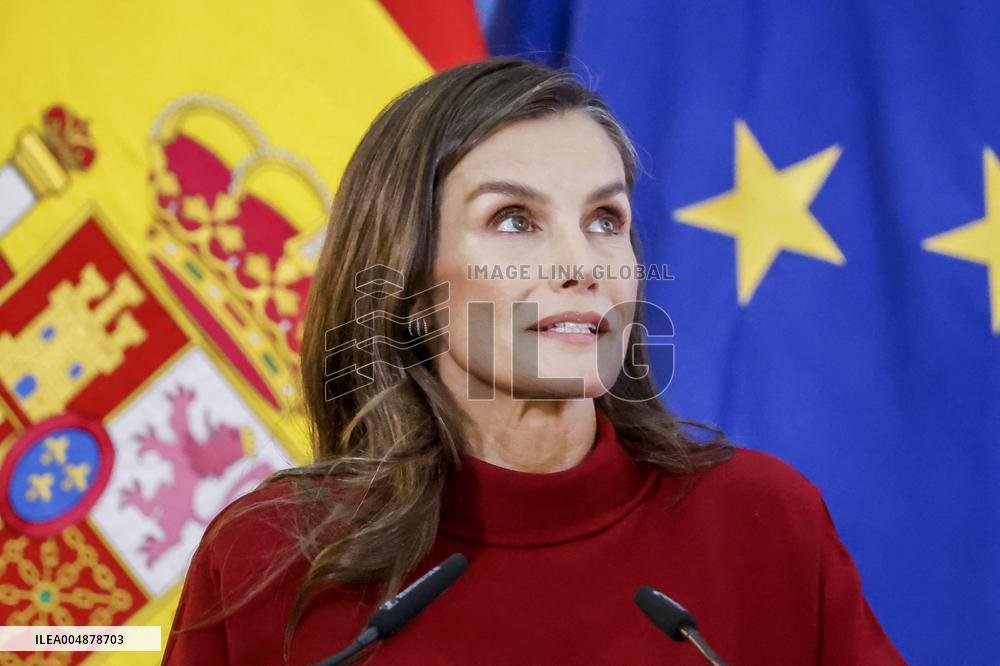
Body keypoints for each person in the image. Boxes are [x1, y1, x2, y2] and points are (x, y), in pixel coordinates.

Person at [162, 56, 904, 665]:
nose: (582, 263)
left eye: (605, 219)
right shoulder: (270, 558)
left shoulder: (766, 524)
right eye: (514, 220)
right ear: (409, 281)